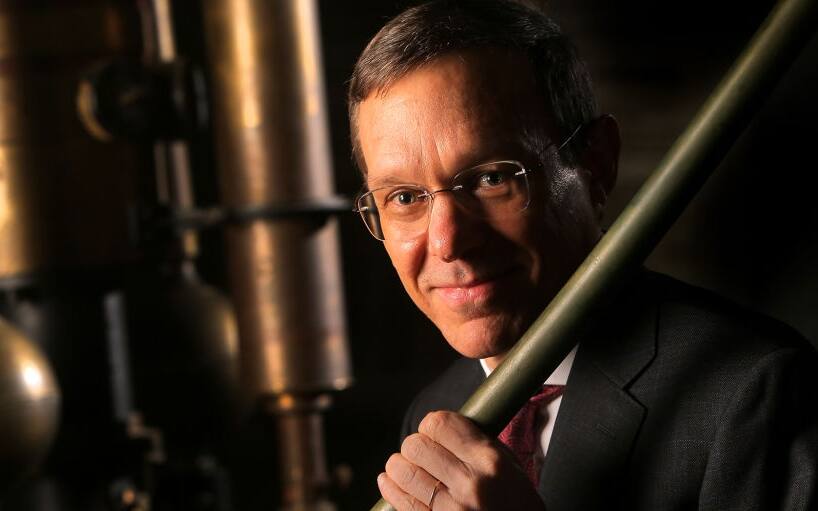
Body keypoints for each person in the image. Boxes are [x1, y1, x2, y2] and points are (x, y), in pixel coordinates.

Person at [347, 1, 818, 509]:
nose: (447, 242)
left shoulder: (756, 392)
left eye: (491, 178)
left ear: (596, 163)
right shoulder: (436, 412)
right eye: (405, 197)